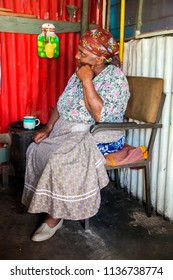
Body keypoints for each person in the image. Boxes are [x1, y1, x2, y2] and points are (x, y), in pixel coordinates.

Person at [21, 27, 130, 242]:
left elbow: (100, 115)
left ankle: (55, 216)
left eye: (82, 53)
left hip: (101, 134)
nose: (76, 56)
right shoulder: (79, 72)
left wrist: (87, 81)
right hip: (70, 129)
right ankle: (49, 203)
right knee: (36, 148)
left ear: (99, 59)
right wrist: (48, 128)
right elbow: (62, 104)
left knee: (59, 160)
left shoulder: (115, 79)